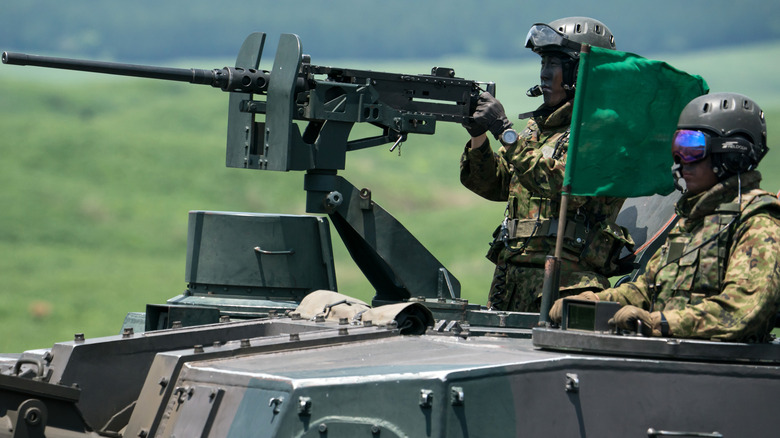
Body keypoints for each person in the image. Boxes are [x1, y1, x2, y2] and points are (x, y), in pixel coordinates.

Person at [550, 92, 780, 343]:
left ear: (732, 155)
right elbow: (645, 289)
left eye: (692, 148)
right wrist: (592, 302)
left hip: (725, 373)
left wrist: (658, 323)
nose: (680, 161)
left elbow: (742, 311)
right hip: (673, 365)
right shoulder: (691, 222)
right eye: (677, 147)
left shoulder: (757, 222)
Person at [460, 17, 633, 312]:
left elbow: (567, 186)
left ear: (584, 71)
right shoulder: (539, 128)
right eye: (543, 64)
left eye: (554, 64)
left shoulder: (606, 133)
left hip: (568, 288)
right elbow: (496, 183)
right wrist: (478, 135)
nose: (544, 74)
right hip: (512, 283)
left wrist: (504, 131)